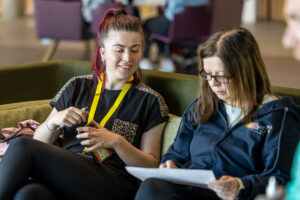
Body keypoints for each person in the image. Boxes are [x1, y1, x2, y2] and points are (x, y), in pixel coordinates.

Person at [0, 8, 169, 200]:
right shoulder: (77, 85)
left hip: (112, 182)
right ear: (103, 53)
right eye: (119, 50)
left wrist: (117, 142)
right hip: (66, 172)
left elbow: (151, 165)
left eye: (135, 50)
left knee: (23, 146)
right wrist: (53, 122)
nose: (128, 58)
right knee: (27, 194)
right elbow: (40, 143)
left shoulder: (150, 100)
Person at [135, 27, 300, 200]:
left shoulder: (278, 116)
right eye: (208, 74)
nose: (213, 84)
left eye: (221, 76)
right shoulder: (202, 107)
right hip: (188, 193)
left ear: (245, 71)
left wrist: (240, 185)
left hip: (234, 197)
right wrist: (169, 165)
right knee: (152, 186)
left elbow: (279, 178)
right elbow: (176, 155)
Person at [140, 0, 209, 72]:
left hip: (176, 26)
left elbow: (171, 10)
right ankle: (166, 58)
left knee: (146, 24)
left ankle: (146, 60)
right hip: (197, 29)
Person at [282, 0, 300, 199]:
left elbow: (263, 131)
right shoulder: (203, 111)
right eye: (208, 75)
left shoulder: (272, 114)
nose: (214, 83)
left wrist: (248, 125)